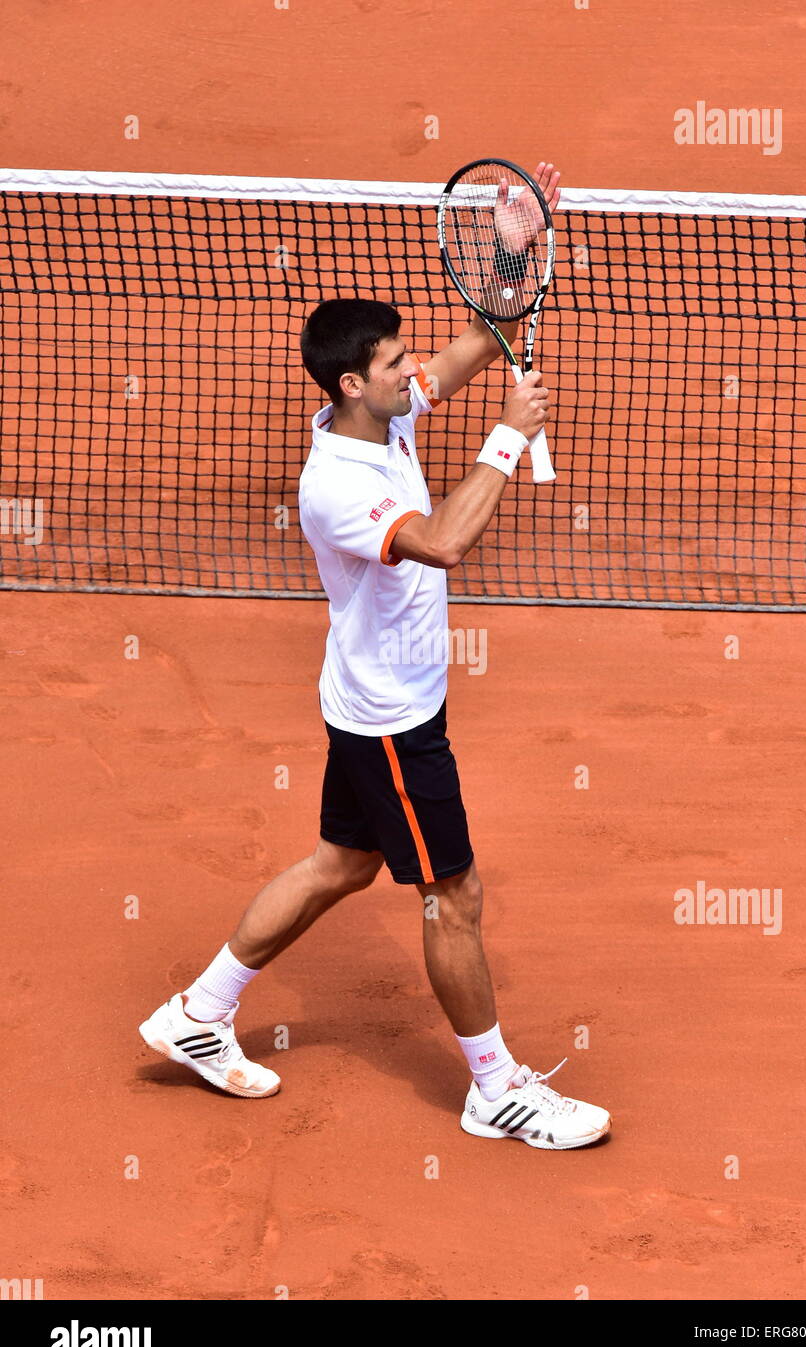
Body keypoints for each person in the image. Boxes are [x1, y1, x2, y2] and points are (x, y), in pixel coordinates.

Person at [139, 162, 611, 1149]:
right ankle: (495, 1087)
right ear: (352, 383)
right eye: (398, 365)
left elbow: (481, 336)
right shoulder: (335, 485)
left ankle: (195, 1012)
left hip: (372, 702)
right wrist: (503, 442)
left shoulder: (379, 413)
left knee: (340, 863)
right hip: (392, 721)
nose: (415, 374)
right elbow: (440, 540)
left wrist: (516, 248)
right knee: (452, 892)